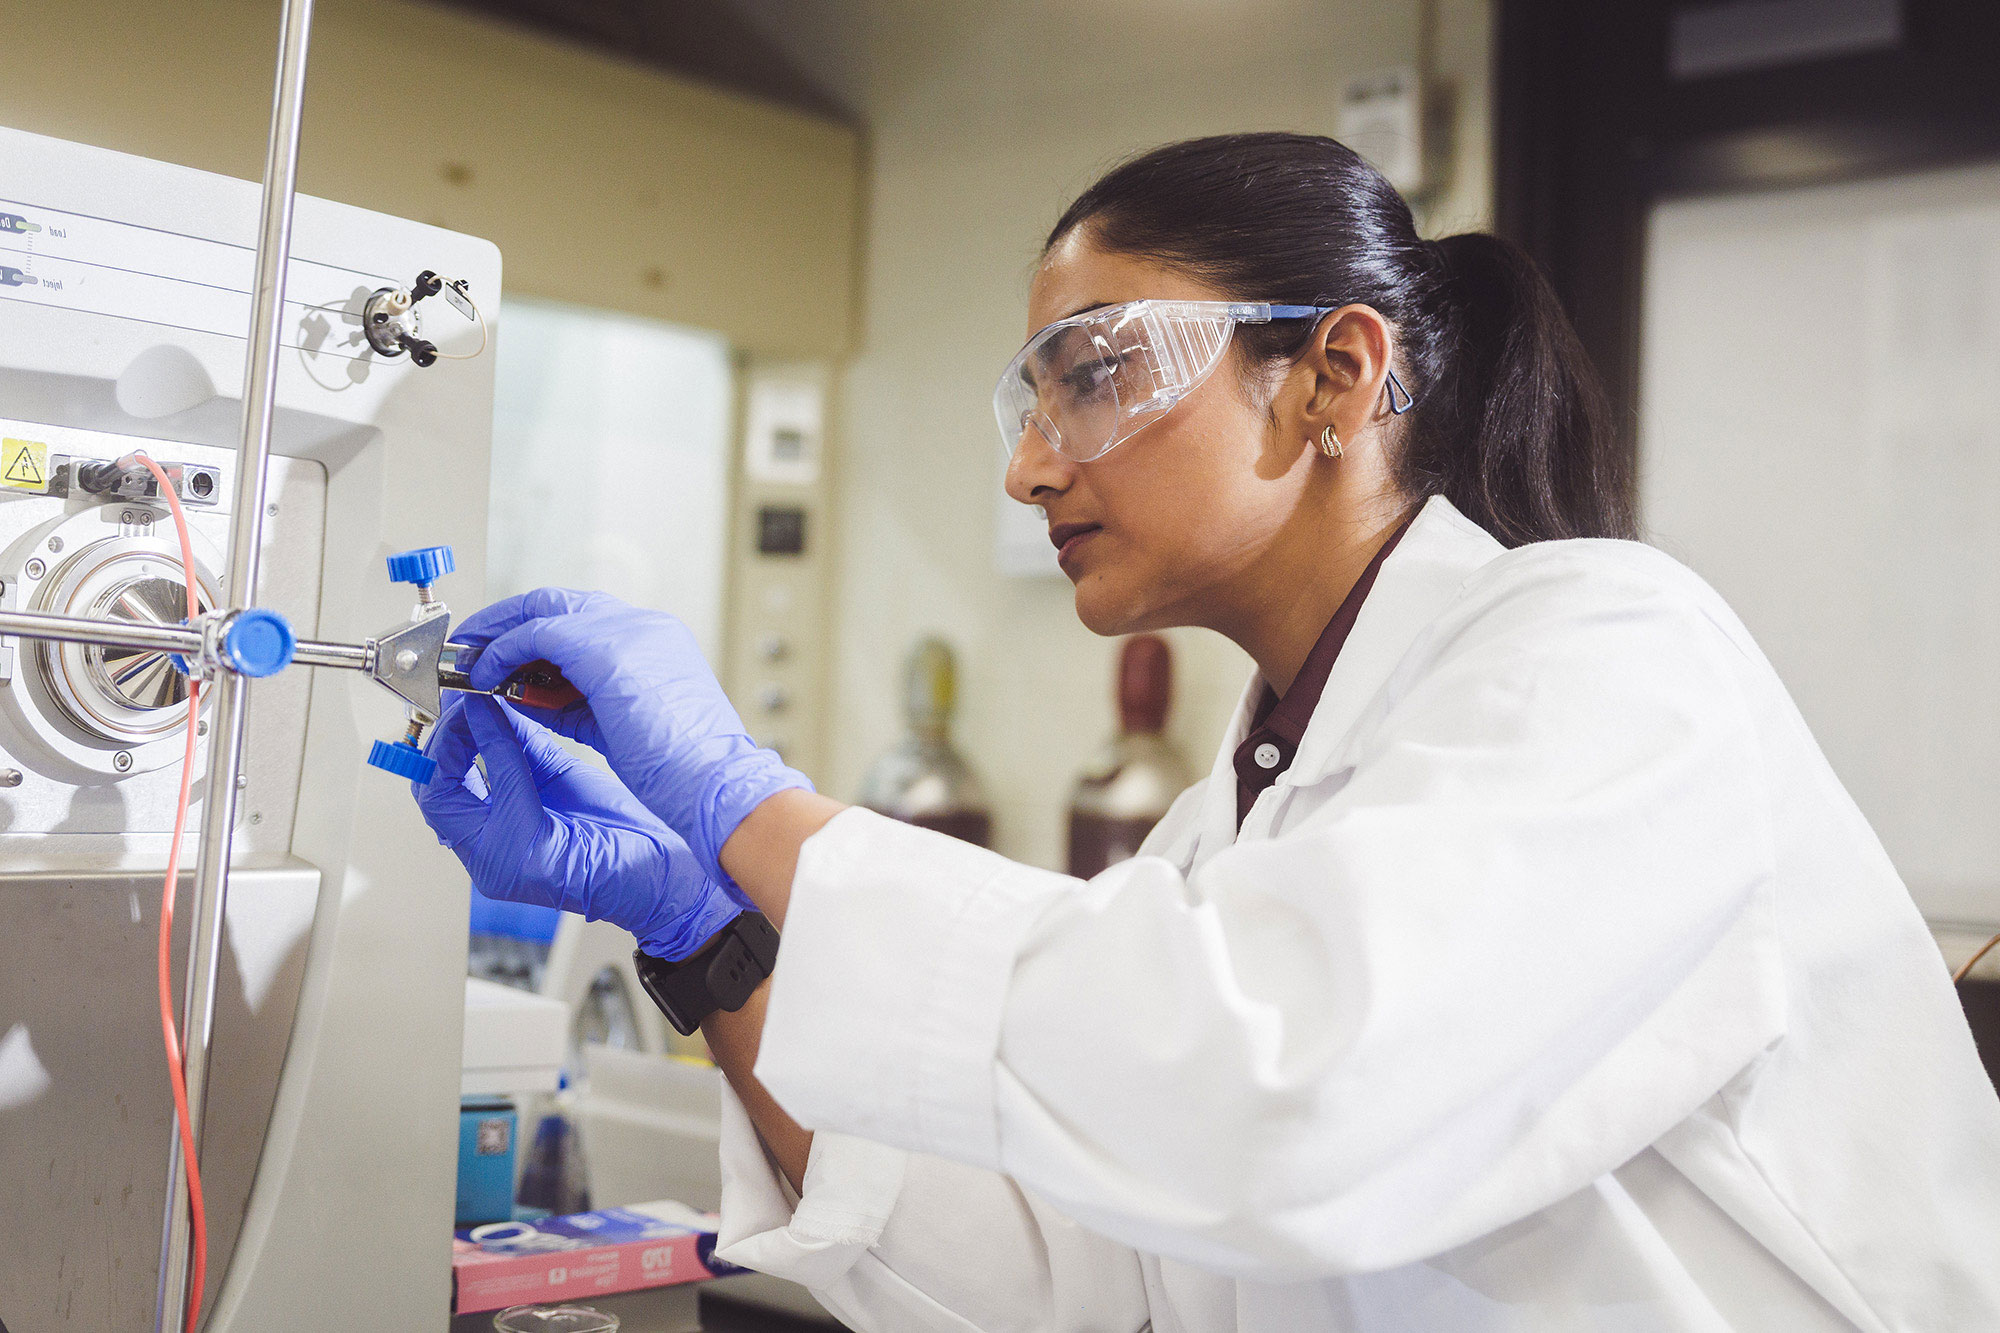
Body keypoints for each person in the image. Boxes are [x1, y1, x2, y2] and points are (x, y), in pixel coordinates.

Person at [413, 133, 2000, 1330]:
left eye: (1092, 374)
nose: (1031, 468)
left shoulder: (1613, 656)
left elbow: (1287, 1091)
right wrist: (704, 929)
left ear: (1334, 373)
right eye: (1026, 403)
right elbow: (1069, 1276)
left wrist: (742, 799)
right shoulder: (1238, 824)